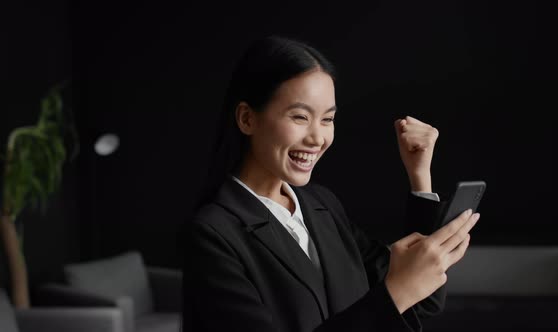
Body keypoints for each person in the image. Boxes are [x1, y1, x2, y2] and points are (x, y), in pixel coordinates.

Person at [181, 35, 480, 332]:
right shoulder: (214, 233)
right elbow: (398, 295)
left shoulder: (321, 205)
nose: (317, 138)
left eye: (327, 119)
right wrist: (395, 293)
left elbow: (419, 301)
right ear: (247, 119)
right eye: (300, 117)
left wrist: (420, 175)